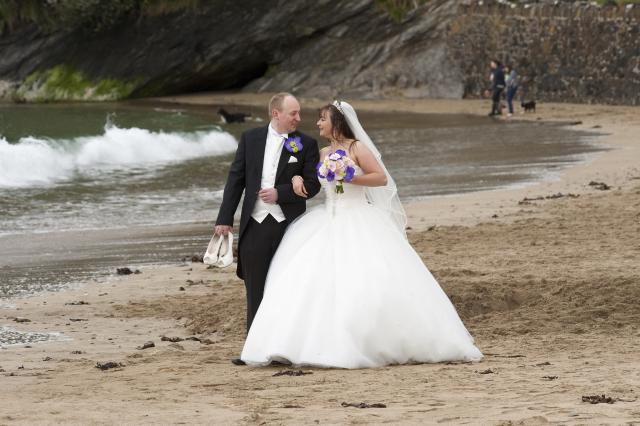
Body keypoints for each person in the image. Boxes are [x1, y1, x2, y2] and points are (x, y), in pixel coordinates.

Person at [240, 101, 483, 369]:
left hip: (357, 217)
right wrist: (297, 181)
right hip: (326, 219)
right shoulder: (321, 153)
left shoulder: (357, 148)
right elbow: (311, 183)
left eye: (323, 119)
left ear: (336, 121)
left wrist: (349, 176)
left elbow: (380, 178)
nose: (318, 123)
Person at [214, 92, 321, 365]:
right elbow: (235, 180)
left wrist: (281, 193)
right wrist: (224, 219)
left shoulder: (306, 144)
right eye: (293, 113)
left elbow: (313, 184)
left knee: (287, 286)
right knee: (255, 286)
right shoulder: (250, 139)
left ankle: (285, 348)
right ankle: (253, 350)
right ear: (276, 113)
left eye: (298, 113)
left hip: (290, 226)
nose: (299, 118)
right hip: (255, 222)